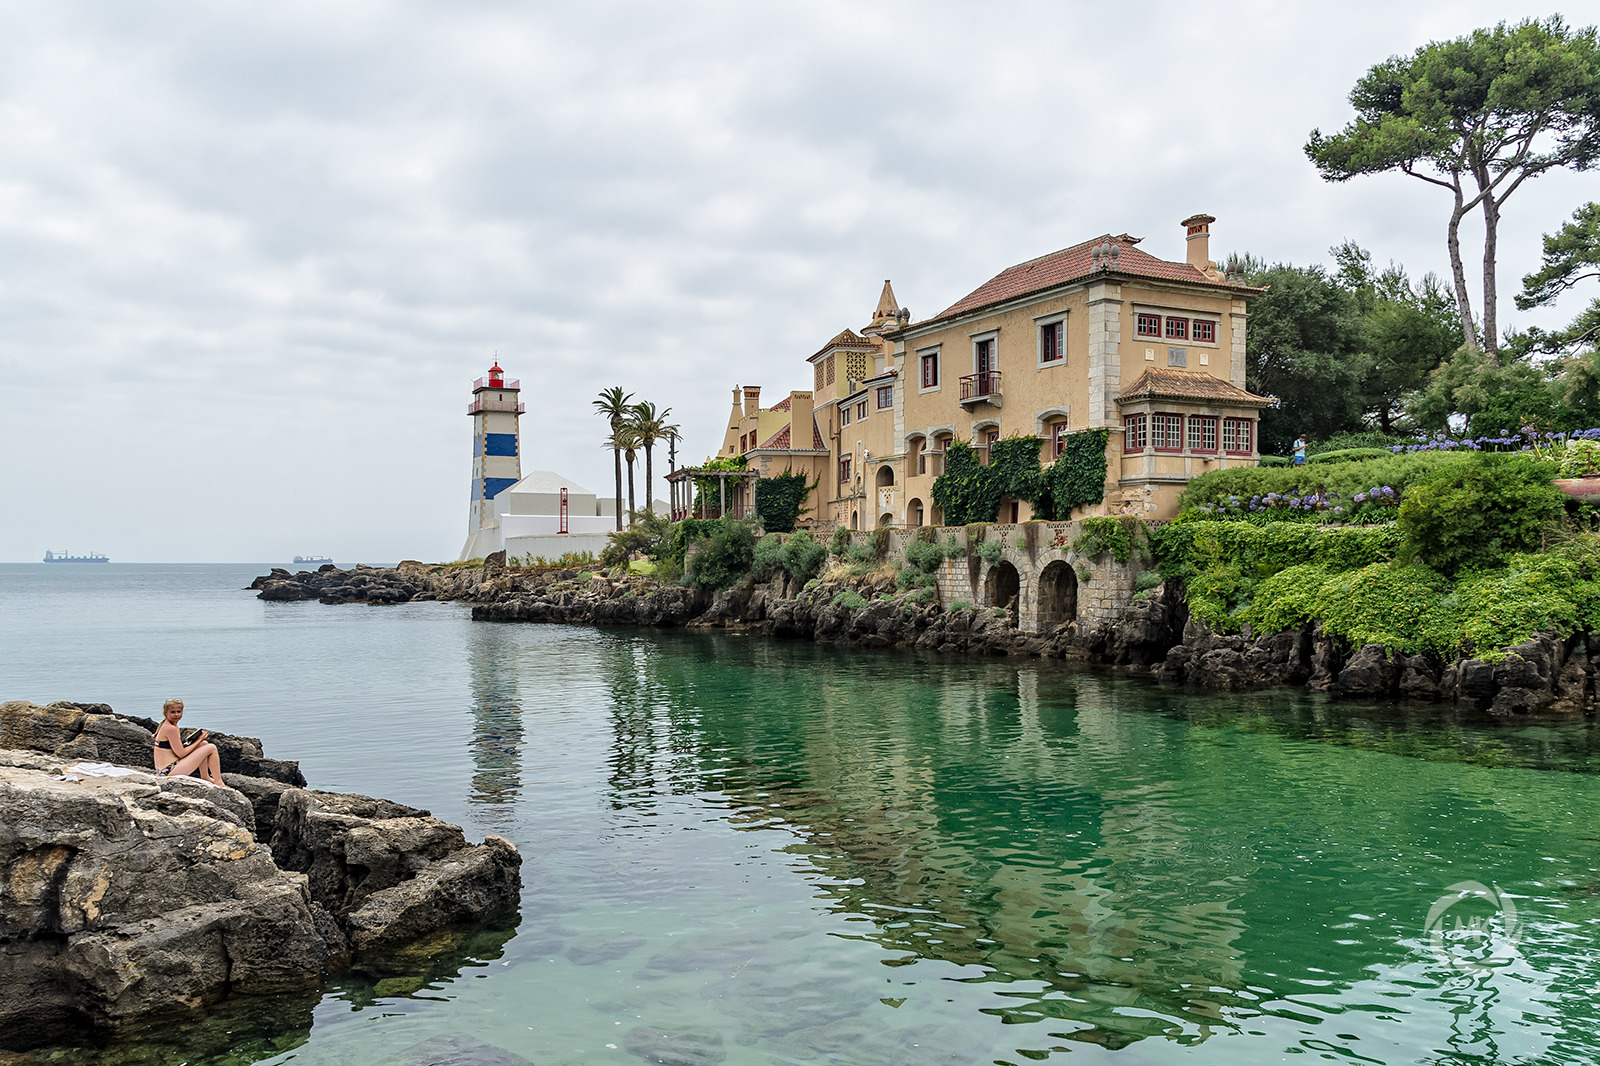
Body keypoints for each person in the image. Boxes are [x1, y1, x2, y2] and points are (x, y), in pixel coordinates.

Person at [151, 698, 226, 785]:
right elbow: (181, 754)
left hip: (165, 769)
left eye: (178, 712)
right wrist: (199, 740)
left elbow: (174, 749)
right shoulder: (171, 728)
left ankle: (205, 777)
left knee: (204, 744)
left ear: (182, 712)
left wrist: (197, 742)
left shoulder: (166, 725)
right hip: (168, 771)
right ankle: (219, 782)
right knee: (211, 747)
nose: (176, 714)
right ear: (166, 713)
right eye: (172, 712)